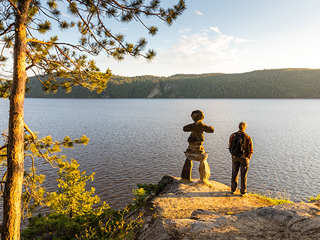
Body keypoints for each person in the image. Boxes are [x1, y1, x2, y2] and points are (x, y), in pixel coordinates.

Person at [229, 122, 253, 196]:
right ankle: (243, 192)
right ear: (245, 127)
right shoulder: (247, 137)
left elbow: (230, 147)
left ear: (238, 127)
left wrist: (233, 155)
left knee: (234, 173)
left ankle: (233, 190)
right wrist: (248, 158)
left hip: (235, 157)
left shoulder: (232, 135)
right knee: (243, 175)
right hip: (244, 158)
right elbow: (250, 150)